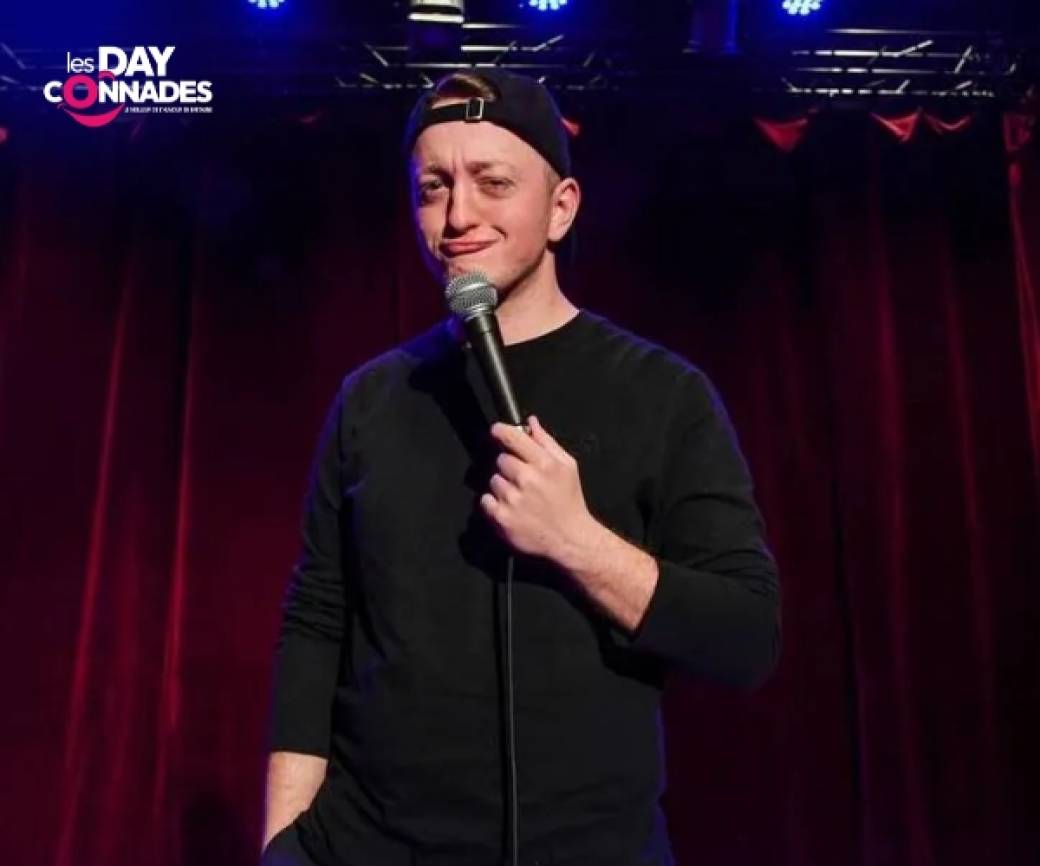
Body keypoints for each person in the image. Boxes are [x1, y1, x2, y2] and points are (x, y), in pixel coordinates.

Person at [260, 68, 782, 866]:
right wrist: (284, 842)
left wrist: (576, 540)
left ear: (561, 207)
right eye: (434, 187)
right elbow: (317, 622)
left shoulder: (662, 394)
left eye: (492, 182)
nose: (458, 215)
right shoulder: (372, 397)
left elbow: (745, 637)